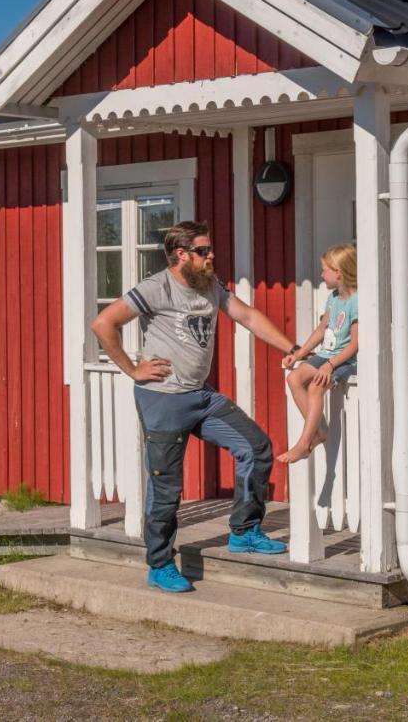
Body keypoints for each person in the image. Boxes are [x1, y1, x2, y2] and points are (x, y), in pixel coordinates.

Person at [90, 220, 297, 593]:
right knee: (166, 488)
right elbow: (104, 323)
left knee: (255, 447)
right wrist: (133, 369)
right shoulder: (157, 287)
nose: (211, 256)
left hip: (201, 397)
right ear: (181, 255)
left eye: (210, 249)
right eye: (203, 251)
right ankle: (160, 564)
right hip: (163, 400)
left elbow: (247, 316)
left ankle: (245, 531)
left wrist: (293, 350)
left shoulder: (210, 286)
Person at [278, 243, 359, 464]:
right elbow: (321, 329)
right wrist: (297, 353)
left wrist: (330, 365)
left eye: (325, 270)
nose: (321, 274)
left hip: (345, 359)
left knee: (315, 387)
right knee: (294, 378)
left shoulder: (356, 302)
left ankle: (304, 444)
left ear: (339, 272)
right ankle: (319, 431)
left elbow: (355, 344)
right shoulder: (333, 298)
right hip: (327, 354)